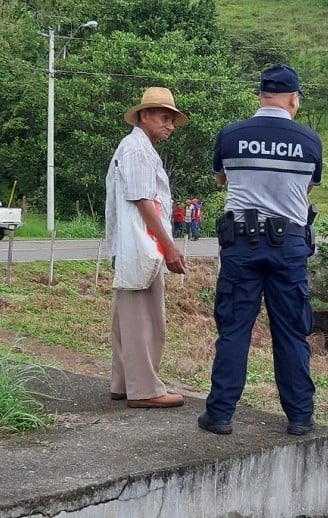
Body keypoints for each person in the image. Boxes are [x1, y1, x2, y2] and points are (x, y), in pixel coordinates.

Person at [199, 64, 323, 436]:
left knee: (235, 330)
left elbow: (223, 179)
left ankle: (220, 414)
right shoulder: (309, 141)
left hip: (240, 244)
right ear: (293, 98)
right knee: (290, 332)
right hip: (289, 247)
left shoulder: (231, 134)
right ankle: (300, 416)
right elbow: (307, 189)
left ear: (261, 96)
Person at [105, 87, 188, 409]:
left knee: (128, 317)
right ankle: (144, 389)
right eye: (164, 117)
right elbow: (143, 200)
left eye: (172, 119)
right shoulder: (137, 149)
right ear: (144, 115)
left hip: (134, 246)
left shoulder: (136, 147)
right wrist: (169, 248)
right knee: (145, 319)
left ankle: (124, 382)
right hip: (141, 245)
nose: (169, 125)